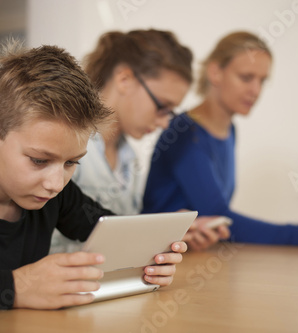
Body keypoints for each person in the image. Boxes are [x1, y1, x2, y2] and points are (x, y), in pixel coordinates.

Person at [0, 40, 187, 314]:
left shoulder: (54, 193)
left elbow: (108, 229)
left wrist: (153, 255)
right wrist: (18, 287)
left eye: (71, 162)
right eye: (39, 160)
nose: (55, 184)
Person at [142, 31, 298, 250]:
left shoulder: (229, 130)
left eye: (262, 81)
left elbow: (217, 222)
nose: (256, 90)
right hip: (158, 259)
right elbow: (218, 214)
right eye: (246, 77)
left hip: (192, 256)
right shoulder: (184, 134)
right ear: (215, 73)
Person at [51, 29, 193, 253]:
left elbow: (119, 236)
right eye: (162, 107)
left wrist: (165, 233)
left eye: (170, 112)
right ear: (124, 79)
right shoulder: (66, 144)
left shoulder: (131, 160)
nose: (165, 123)